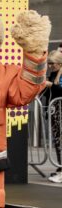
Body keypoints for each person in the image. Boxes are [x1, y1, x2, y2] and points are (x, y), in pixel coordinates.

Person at [44, 50, 62, 182]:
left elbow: (58, 91)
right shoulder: (53, 74)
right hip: (54, 111)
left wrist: (51, 86)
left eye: (52, 63)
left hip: (59, 111)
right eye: (49, 63)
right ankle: (60, 167)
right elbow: (48, 94)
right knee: (57, 141)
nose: (50, 66)